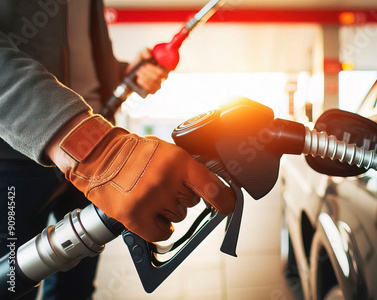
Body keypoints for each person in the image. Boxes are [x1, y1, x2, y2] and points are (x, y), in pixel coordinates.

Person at [0, 1, 236, 299]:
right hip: (15, 157)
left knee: (76, 287)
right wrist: (92, 147)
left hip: (91, 145)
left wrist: (125, 73)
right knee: (11, 282)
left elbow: (79, 63)